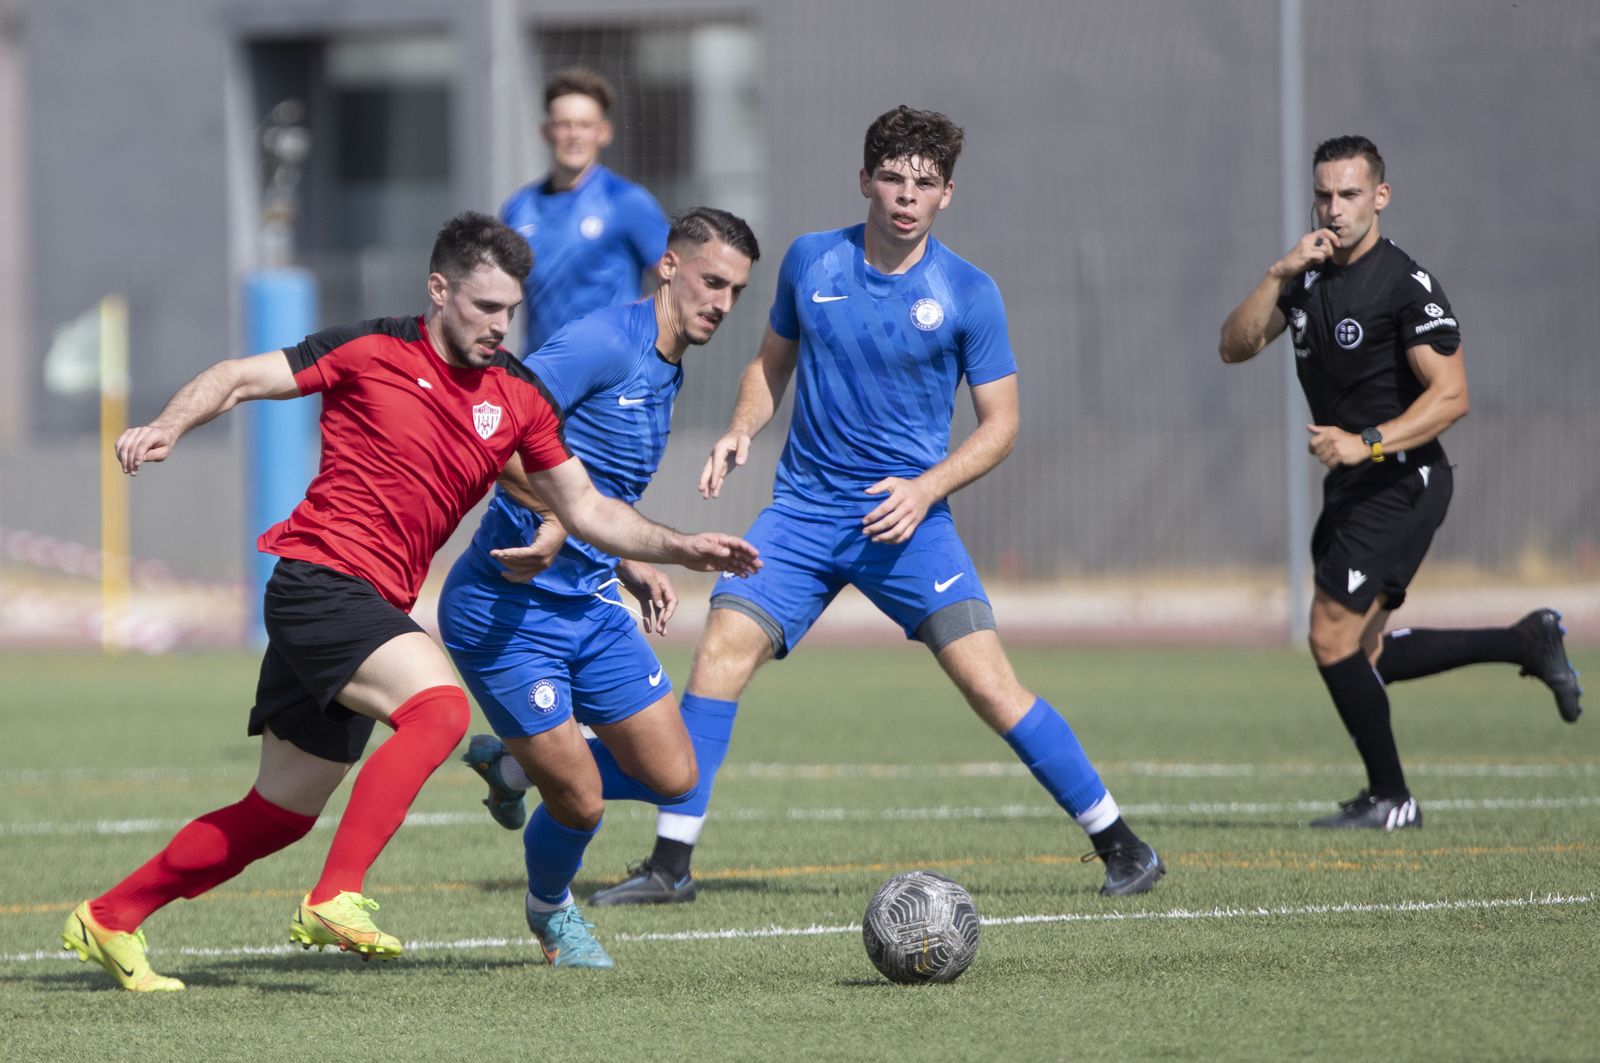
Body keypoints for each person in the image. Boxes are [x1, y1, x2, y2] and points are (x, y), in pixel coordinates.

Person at [60, 211, 758, 992]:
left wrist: (673, 547)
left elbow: (587, 506)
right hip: (318, 580)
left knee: (281, 811)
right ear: (439, 289)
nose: (501, 326)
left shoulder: (515, 395)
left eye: (511, 311)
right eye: (485, 308)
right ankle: (337, 896)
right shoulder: (371, 349)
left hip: (370, 603)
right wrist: (167, 424)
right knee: (439, 710)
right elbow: (238, 375)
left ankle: (111, 914)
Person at [564, 105, 1165, 903]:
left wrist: (925, 488)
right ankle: (671, 867)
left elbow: (1004, 426)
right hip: (804, 514)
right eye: (892, 178)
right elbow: (768, 366)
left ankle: (1123, 845)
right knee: (719, 655)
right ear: (865, 181)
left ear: (947, 194)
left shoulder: (967, 293)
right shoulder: (812, 261)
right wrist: (743, 429)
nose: (906, 196)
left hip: (909, 523)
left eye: (924, 183)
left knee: (990, 686)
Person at [1218, 135, 1583, 831]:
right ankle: (1527, 641)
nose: (1335, 209)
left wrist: (1365, 442)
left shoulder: (1403, 285)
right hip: (1354, 487)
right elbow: (1233, 346)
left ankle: (1393, 796)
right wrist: (1278, 270)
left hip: (1403, 479)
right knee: (1366, 652)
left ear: (1380, 196)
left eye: (1350, 194)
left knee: (1329, 638)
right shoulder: (1305, 277)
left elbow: (1452, 396)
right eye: (1324, 195)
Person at [438, 207, 759, 968]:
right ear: (670, 268)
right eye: (712, 280)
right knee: (578, 798)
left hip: (589, 603)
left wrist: (629, 561)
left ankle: (515, 765)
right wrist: (548, 515)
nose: (722, 301)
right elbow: (496, 421)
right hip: (505, 608)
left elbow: (589, 480)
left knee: (676, 774)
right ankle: (551, 909)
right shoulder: (601, 341)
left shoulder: (666, 360)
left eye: (737, 291)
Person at [501, 66, 669, 352]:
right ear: (546, 131)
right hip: (541, 377)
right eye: (564, 124)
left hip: (610, 384)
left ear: (603, 133)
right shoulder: (519, 208)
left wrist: (631, 327)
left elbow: (678, 284)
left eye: (584, 125)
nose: (574, 135)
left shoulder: (627, 201)